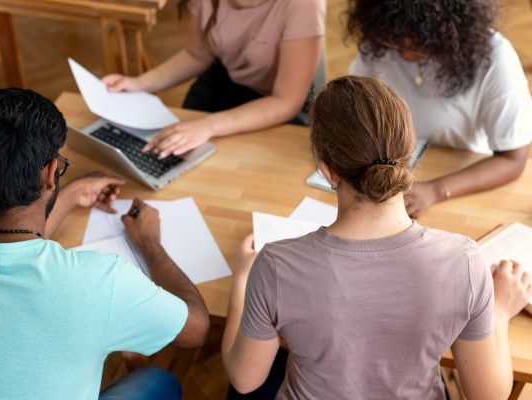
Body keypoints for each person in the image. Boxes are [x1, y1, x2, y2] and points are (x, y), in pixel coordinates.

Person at [221, 76, 532, 399]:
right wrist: (498, 311)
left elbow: (245, 379)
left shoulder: (274, 266)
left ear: (327, 171)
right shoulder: (464, 261)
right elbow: (489, 396)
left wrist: (243, 280)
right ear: (408, 155)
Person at [0, 88, 210, 400]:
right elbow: (196, 329)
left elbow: (11, 244)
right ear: (50, 172)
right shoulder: (99, 282)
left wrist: (71, 195)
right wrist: (149, 244)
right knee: (159, 381)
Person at [346, 0, 532, 218]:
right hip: (393, 181)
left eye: (417, 40)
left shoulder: (494, 57)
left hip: (462, 184)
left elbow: (513, 159)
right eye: (396, 39)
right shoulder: (381, 45)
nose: (404, 52)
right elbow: (357, 115)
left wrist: (435, 190)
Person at [102, 0, 325, 159]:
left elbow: (286, 101)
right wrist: (140, 83)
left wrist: (209, 126)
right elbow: (197, 54)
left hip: (278, 103)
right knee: (177, 154)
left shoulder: (304, 4)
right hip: (223, 80)